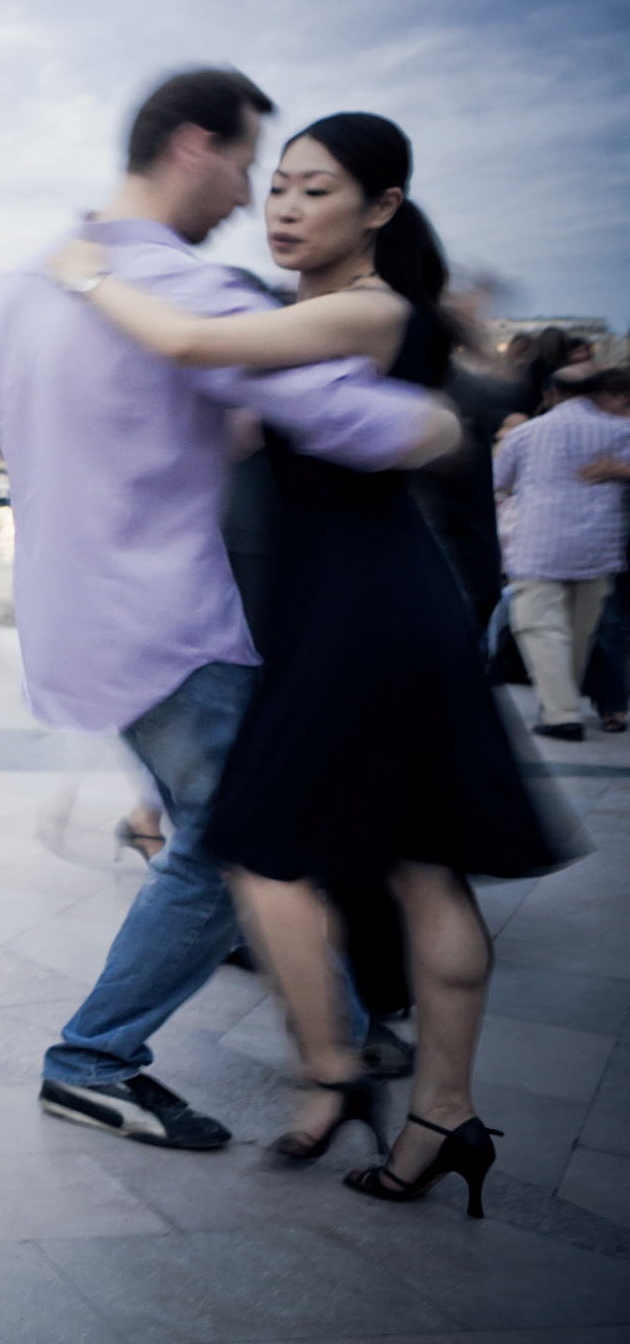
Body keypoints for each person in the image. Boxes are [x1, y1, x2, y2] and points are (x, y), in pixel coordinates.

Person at [0, 69, 458, 1152]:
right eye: (251, 164)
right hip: (171, 619)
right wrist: (445, 419)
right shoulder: (189, 289)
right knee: (233, 839)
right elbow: (349, 421)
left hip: (69, 617)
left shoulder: (22, 283)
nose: (252, 195)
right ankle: (95, 1058)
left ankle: (343, 1035)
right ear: (196, 146)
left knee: (239, 825)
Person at [53, 110, 577, 1216]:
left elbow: (193, 349)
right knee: (412, 864)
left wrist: (89, 274)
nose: (285, 208)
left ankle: (344, 1073)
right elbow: (234, 425)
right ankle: (435, 1109)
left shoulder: (368, 308)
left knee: (267, 844)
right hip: (363, 607)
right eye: (279, 185)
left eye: (316, 190)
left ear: (381, 207)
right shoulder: (323, 311)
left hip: (361, 616)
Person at [493, 367, 630, 741]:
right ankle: (562, 703)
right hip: (598, 549)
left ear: (551, 393)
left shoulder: (525, 433)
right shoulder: (620, 430)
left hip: (540, 545)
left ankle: (560, 714)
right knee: (579, 631)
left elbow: (499, 481)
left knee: (540, 627)